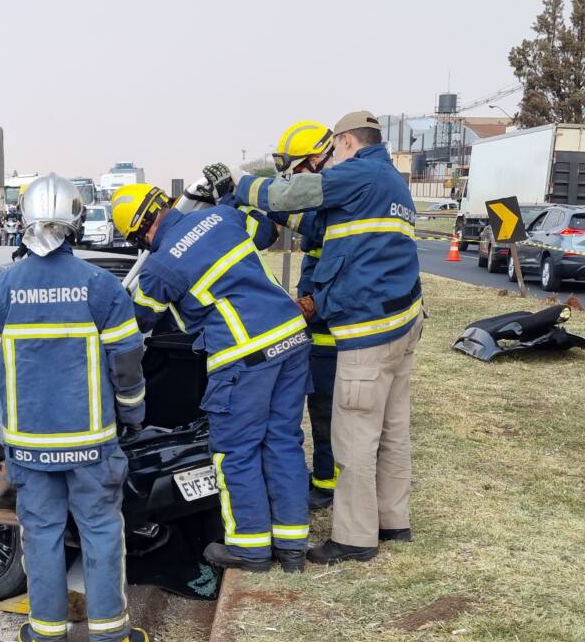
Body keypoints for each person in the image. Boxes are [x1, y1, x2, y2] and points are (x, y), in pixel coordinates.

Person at [0, 173, 151, 642]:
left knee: (40, 533)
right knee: (102, 530)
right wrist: (132, 411)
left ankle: (47, 637)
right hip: (92, 443)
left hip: (27, 445)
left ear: (22, 220)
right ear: (77, 220)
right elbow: (127, 358)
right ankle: (110, 639)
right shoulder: (101, 287)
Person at [234, 110, 423, 565]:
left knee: (354, 437)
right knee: (393, 432)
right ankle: (394, 522)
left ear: (346, 143)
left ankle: (355, 540)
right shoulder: (391, 182)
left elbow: (287, 193)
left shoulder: (358, 172)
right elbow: (323, 226)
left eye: (335, 148)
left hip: (368, 330)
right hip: (404, 323)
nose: (333, 157)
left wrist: (239, 188)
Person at [111, 180, 311, 574]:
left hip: (244, 355)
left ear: (140, 232)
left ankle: (249, 549)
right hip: (291, 338)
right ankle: (292, 548)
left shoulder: (160, 266)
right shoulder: (220, 216)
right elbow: (268, 231)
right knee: (284, 442)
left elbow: (137, 323)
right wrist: (229, 196)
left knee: (236, 451)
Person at [269, 121, 339, 509]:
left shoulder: (342, 198)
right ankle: (326, 479)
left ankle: (330, 486)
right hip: (321, 330)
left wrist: (313, 302)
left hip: (334, 330)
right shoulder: (329, 197)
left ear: (316, 159)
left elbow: (342, 262)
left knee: (330, 413)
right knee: (322, 412)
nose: (295, 181)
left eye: (297, 171)